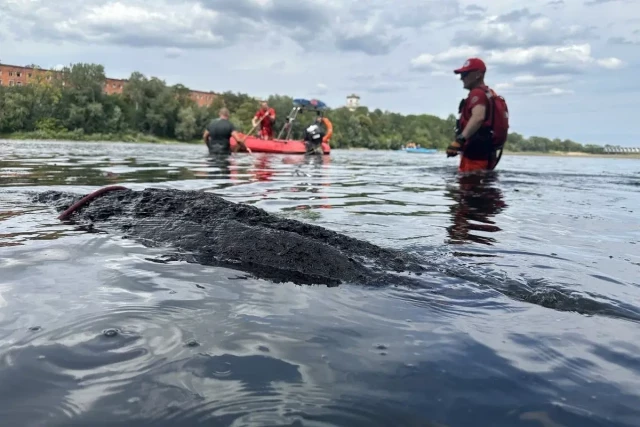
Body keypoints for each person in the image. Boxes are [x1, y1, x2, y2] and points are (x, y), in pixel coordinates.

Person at [447, 57, 508, 172]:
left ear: (478, 75)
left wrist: (459, 141)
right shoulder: (488, 93)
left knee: (469, 187)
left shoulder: (477, 93)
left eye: (465, 74)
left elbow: (478, 117)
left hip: (475, 155)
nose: (461, 78)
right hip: (486, 154)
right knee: (481, 186)